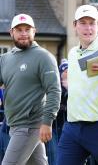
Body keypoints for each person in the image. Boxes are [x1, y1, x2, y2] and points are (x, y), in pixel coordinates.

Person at [57, 4, 98, 165]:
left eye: (92, 23)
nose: (88, 28)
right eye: (83, 23)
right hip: (72, 128)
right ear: (75, 25)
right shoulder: (73, 53)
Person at [0, 13, 61, 165]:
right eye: (19, 30)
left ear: (34, 31)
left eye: (27, 29)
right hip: (14, 125)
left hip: (31, 125)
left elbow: (54, 91)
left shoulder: (44, 57)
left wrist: (47, 122)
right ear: (11, 32)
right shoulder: (5, 58)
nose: (23, 34)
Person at [45, 59, 68, 165]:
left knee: (66, 154)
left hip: (67, 127)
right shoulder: (55, 86)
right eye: (65, 70)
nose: (67, 73)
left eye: (69, 70)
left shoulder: (75, 86)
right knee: (53, 153)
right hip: (54, 126)